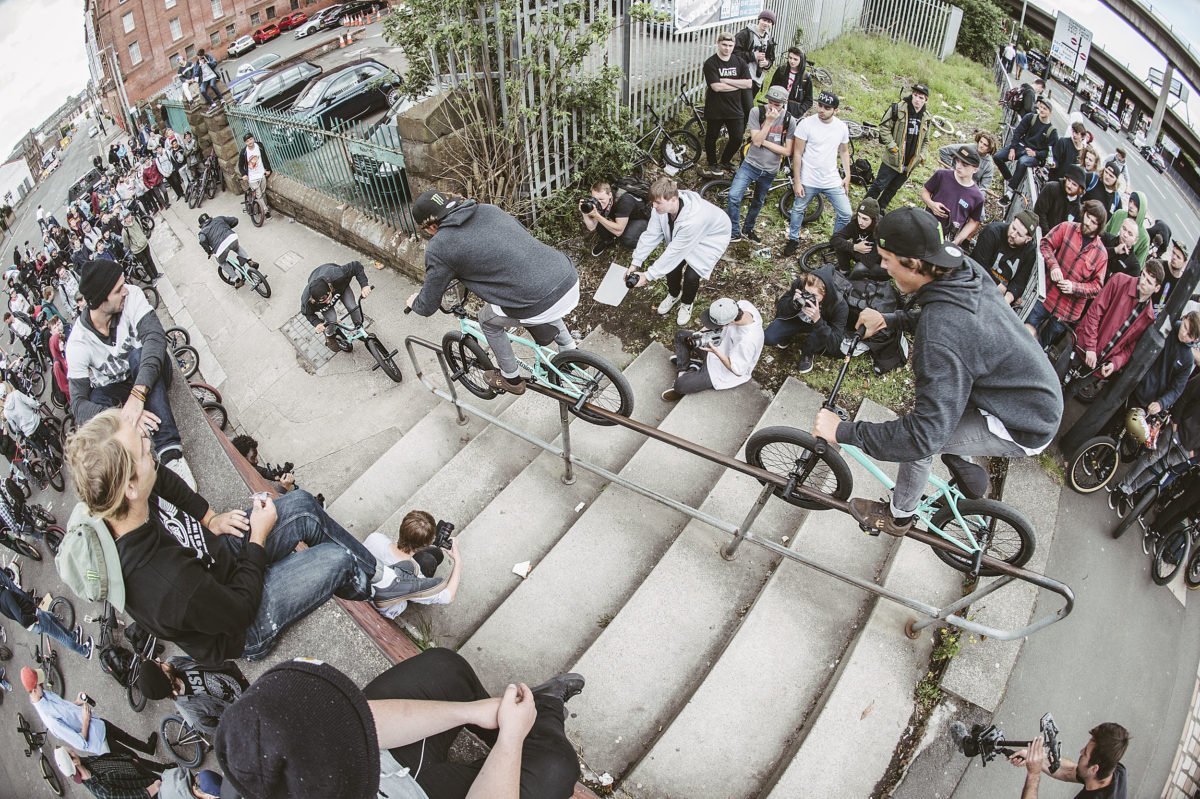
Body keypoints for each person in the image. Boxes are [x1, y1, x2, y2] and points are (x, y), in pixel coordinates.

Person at [64, 409, 444, 665]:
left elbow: (161, 478)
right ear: (130, 488)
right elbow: (240, 608)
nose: (153, 448)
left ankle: (382, 579)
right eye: (145, 450)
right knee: (337, 559)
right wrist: (257, 539)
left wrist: (209, 517)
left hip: (220, 566)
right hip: (243, 621)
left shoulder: (120, 501)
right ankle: (373, 587)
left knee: (301, 505)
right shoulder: (165, 584)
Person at [813, 207, 1062, 536]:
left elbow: (920, 436)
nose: (883, 267)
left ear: (913, 265)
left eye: (887, 260)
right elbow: (951, 319)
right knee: (935, 423)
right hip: (1025, 384)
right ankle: (961, 462)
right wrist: (892, 319)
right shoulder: (962, 267)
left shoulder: (938, 339)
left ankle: (899, 516)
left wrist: (843, 432)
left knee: (921, 444)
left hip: (1023, 420)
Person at [214, 652, 584, 799]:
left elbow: (362, 723)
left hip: (379, 773)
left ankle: (512, 718)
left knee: (444, 668)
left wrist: (469, 712)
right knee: (556, 766)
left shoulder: (249, 767)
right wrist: (511, 742)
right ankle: (545, 709)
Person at [406, 190, 580, 395]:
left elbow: (427, 306)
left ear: (431, 226)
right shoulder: (488, 209)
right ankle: (571, 352)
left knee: (487, 320)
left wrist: (415, 302)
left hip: (537, 301)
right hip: (566, 276)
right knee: (540, 290)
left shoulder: (440, 245)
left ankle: (511, 378)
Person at [65, 261, 189, 478]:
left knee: (138, 353)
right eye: (117, 290)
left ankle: (170, 453)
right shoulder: (77, 343)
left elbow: (155, 337)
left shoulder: (132, 295)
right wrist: (122, 416)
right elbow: (78, 404)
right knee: (96, 395)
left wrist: (138, 394)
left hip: (151, 373)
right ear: (101, 300)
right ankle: (134, 459)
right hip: (121, 391)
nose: (125, 291)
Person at [624, 177, 732, 326]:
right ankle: (674, 294)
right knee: (672, 268)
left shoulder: (694, 218)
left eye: (658, 203)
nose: (654, 206)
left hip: (711, 238)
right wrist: (635, 263)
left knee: (692, 275)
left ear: (673, 199)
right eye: (653, 202)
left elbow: (674, 252)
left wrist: (648, 276)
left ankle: (687, 303)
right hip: (687, 236)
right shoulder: (660, 209)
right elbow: (651, 235)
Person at [1071, 260, 1163, 395]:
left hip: (1098, 366)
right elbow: (1094, 313)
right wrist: (1090, 347)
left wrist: (1114, 364)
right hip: (1081, 347)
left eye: (1149, 282)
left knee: (1070, 393)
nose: (1143, 281)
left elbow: (1129, 348)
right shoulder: (1120, 281)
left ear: (1157, 288)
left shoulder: (1148, 317)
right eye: (1143, 275)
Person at [1025, 201, 1110, 346]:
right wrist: (1054, 266)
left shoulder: (1102, 254)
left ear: (1099, 226)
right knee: (1024, 331)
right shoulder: (1067, 227)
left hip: (1067, 312)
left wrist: (1074, 287)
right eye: (1088, 216)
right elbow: (1045, 244)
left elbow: (1096, 287)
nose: (1088, 223)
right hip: (1046, 296)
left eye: (1094, 222)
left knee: (1041, 346)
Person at [23, 667, 158, 757]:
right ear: (33, 690)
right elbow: (80, 743)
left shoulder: (44, 695)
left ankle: (148, 748)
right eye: (40, 684)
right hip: (98, 740)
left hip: (97, 724)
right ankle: (163, 770)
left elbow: (64, 710)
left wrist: (76, 702)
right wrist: (86, 720)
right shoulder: (50, 719)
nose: (43, 684)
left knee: (124, 736)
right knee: (131, 757)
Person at [783, 90, 852, 258]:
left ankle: (834, 242)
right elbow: (797, 154)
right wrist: (797, 181)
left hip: (831, 179)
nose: (821, 110)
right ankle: (793, 239)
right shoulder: (806, 124)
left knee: (846, 213)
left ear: (835, 110)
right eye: (819, 105)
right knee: (798, 209)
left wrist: (847, 176)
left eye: (826, 107)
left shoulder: (841, 127)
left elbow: (844, 152)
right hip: (809, 178)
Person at [364, 509, 463, 619]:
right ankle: (414, 598)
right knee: (430, 559)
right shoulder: (414, 577)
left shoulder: (375, 538)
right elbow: (448, 596)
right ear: (426, 544)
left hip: (368, 583)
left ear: (402, 527)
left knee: (435, 553)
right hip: (388, 606)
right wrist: (458, 560)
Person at [727, 85, 796, 243]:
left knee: (758, 201)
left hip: (770, 169)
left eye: (777, 105)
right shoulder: (757, 112)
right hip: (750, 164)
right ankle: (734, 231)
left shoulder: (789, 120)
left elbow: (787, 151)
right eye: (770, 102)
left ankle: (748, 229)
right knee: (734, 196)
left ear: (785, 103)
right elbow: (755, 142)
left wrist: (762, 139)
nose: (773, 107)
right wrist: (769, 122)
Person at [662, 296, 762, 401]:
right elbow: (710, 328)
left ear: (728, 323)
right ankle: (685, 370)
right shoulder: (742, 305)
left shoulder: (748, 341)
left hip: (721, 370)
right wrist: (700, 334)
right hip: (717, 343)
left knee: (680, 385)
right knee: (681, 335)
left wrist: (716, 352)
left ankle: (689, 373)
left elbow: (737, 371)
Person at [134, 654, 249, 736]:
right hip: (245, 708)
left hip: (240, 681)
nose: (159, 659)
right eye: (159, 664)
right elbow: (224, 730)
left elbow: (199, 660)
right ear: (164, 679)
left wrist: (234, 671)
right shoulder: (193, 714)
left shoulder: (173, 661)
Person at [1008, 722, 1129, 798]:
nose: (1081, 751)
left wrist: (1033, 774)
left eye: (1085, 753)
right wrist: (1038, 758)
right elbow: (1071, 771)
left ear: (1094, 769)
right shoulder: (1115, 771)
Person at [764, 266, 847, 373]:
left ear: (825, 294)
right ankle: (787, 335)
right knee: (768, 337)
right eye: (806, 292)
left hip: (818, 325)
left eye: (814, 295)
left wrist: (818, 320)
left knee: (819, 336)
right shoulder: (801, 283)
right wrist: (792, 304)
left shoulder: (839, 305)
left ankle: (808, 352)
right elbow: (780, 307)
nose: (807, 297)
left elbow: (834, 343)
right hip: (796, 318)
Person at [865, 83, 931, 210]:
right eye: (915, 95)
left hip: (910, 162)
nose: (917, 99)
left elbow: (926, 140)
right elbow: (884, 128)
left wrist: (922, 156)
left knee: (893, 189)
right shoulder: (898, 108)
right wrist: (893, 148)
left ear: (926, 100)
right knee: (879, 185)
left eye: (921, 97)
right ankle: (865, 209)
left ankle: (879, 210)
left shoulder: (926, 117)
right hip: (892, 159)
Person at [0, 570, 93, 658]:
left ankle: (73, 636)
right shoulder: (6, 595)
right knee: (61, 637)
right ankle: (85, 651)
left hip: (33, 616)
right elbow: (22, 619)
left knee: (52, 617)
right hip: (35, 618)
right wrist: (35, 618)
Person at [700, 31, 752, 177]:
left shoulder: (739, 62)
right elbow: (716, 87)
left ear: (734, 45)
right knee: (711, 137)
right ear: (718, 43)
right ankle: (712, 163)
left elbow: (748, 83)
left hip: (735, 108)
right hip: (715, 108)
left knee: (737, 138)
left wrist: (726, 80)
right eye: (724, 45)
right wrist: (737, 84)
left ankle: (725, 160)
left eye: (730, 45)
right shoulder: (711, 63)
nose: (727, 48)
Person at [301, 260, 373, 352]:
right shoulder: (307, 300)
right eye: (323, 301)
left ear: (330, 288)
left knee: (353, 307)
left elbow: (356, 266)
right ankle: (329, 335)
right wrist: (317, 323)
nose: (328, 302)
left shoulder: (337, 275)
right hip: (317, 280)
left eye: (328, 298)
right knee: (332, 319)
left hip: (339, 286)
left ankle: (359, 328)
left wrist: (364, 285)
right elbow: (306, 313)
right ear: (314, 299)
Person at [53, 746, 177, 799]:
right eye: (71, 753)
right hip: (150, 789)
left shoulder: (84, 762)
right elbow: (127, 797)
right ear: (74, 763)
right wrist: (152, 789)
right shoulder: (101, 790)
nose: (74, 751)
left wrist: (128, 759)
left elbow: (106, 758)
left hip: (143, 774)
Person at [995, 97, 1057, 199]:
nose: (1041, 110)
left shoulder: (1052, 132)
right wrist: (1012, 148)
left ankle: (1009, 193)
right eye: (1041, 107)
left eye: (1045, 109)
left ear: (1050, 113)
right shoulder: (1030, 117)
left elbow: (1049, 152)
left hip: (1034, 155)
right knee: (998, 157)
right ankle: (1011, 179)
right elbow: (1018, 133)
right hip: (1021, 146)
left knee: (1023, 162)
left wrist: (1036, 154)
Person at [973, 210, 1039, 306]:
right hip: (977, 281)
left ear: (1028, 239)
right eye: (1013, 228)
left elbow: (1020, 281)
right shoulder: (992, 232)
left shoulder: (1029, 252)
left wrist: (1009, 298)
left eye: (1019, 234)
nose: (1013, 234)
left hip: (998, 295)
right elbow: (978, 263)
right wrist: (1001, 288)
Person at [921, 146, 984, 245]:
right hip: (924, 226)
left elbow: (973, 221)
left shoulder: (977, 197)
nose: (959, 166)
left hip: (945, 239)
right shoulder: (942, 175)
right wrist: (931, 204)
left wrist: (957, 240)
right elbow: (925, 192)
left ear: (975, 170)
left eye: (965, 165)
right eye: (958, 161)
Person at [579, 180, 650, 257]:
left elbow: (619, 231)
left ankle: (645, 245)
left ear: (609, 195)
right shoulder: (599, 201)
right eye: (595, 199)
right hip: (621, 215)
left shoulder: (625, 201)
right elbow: (592, 227)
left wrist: (597, 216)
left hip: (637, 218)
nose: (598, 202)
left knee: (627, 239)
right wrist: (584, 213)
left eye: (602, 199)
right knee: (601, 220)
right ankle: (608, 240)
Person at [732, 10, 776, 123]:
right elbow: (734, 54)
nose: (766, 24)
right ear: (759, 19)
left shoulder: (769, 39)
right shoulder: (745, 34)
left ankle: (735, 130)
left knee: (745, 107)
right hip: (742, 77)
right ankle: (733, 130)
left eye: (769, 22)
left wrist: (767, 63)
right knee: (745, 108)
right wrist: (753, 55)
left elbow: (771, 58)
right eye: (764, 20)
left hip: (757, 79)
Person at [197, 213, 259, 287]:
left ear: (201, 225)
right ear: (210, 217)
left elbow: (202, 240)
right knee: (237, 248)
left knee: (222, 262)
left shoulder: (202, 232)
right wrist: (227, 228)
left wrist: (209, 251)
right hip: (231, 238)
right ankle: (249, 260)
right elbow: (235, 220)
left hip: (219, 248)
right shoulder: (218, 218)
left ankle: (237, 280)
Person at [829, 197, 882, 275]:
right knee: (840, 246)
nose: (860, 222)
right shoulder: (855, 223)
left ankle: (850, 282)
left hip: (875, 262)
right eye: (859, 216)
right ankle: (844, 271)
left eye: (865, 219)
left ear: (873, 219)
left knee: (860, 268)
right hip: (859, 252)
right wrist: (854, 247)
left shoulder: (880, 230)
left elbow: (869, 261)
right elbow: (834, 239)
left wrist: (855, 250)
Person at [231, 434, 298, 494]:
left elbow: (259, 470)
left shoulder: (243, 464)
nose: (256, 461)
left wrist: (274, 476)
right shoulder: (242, 486)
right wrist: (283, 488)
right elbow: (271, 505)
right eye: (253, 458)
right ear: (242, 459)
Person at [1033, 164, 1086, 235]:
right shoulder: (1051, 188)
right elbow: (1039, 212)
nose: (1069, 185)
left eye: (1074, 184)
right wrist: (1048, 235)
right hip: (1041, 233)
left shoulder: (1078, 209)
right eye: (1069, 181)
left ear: (1080, 189)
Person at [1103, 190, 1149, 268]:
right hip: (1103, 256)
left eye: (1135, 205)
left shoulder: (1144, 238)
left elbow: (1138, 266)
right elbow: (1103, 233)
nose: (1131, 205)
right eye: (1130, 201)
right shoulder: (1119, 214)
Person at [1153, 240, 1197, 318]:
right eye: (1173, 253)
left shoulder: (1182, 283)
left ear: (1185, 263)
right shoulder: (1159, 266)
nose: (1174, 257)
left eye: (1178, 257)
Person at [769, 45, 813, 117]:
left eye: (795, 59)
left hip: (794, 113)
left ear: (801, 60)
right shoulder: (781, 70)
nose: (792, 61)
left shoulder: (806, 77)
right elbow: (772, 88)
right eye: (790, 58)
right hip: (777, 108)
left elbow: (809, 99)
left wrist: (800, 110)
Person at [238, 132, 272, 221]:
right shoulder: (244, 152)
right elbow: (240, 165)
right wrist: (244, 174)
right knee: (259, 194)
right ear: (245, 143)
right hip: (252, 177)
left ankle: (262, 207)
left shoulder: (259, 146)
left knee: (263, 193)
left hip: (261, 174)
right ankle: (266, 212)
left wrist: (268, 169)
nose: (250, 142)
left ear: (253, 138)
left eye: (250, 139)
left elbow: (265, 157)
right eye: (247, 141)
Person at [120, 209, 158, 281]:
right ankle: (153, 278)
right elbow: (126, 244)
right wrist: (134, 246)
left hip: (144, 244)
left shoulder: (136, 219)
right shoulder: (124, 231)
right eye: (127, 217)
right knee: (145, 264)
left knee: (150, 259)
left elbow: (141, 228)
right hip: (137, 250)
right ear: (124, 219)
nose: (129, 218)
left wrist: (143, 238)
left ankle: (156, 274)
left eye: (129, 215)